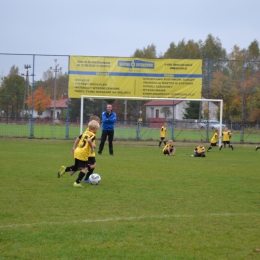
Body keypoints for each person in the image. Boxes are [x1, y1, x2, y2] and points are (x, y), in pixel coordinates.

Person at [57, 120, 100, 188]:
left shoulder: (85, 133)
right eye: (97, 129)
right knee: (84, 168)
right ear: (94, 129)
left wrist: (74, 147)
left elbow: (80, 139)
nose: (97, 130)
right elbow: (89, 140)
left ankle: (65, 169)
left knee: (77, 167)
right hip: (83, 153)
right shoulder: (93, 135)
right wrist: (92, 147)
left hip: (77, 150)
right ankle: (77, 182)